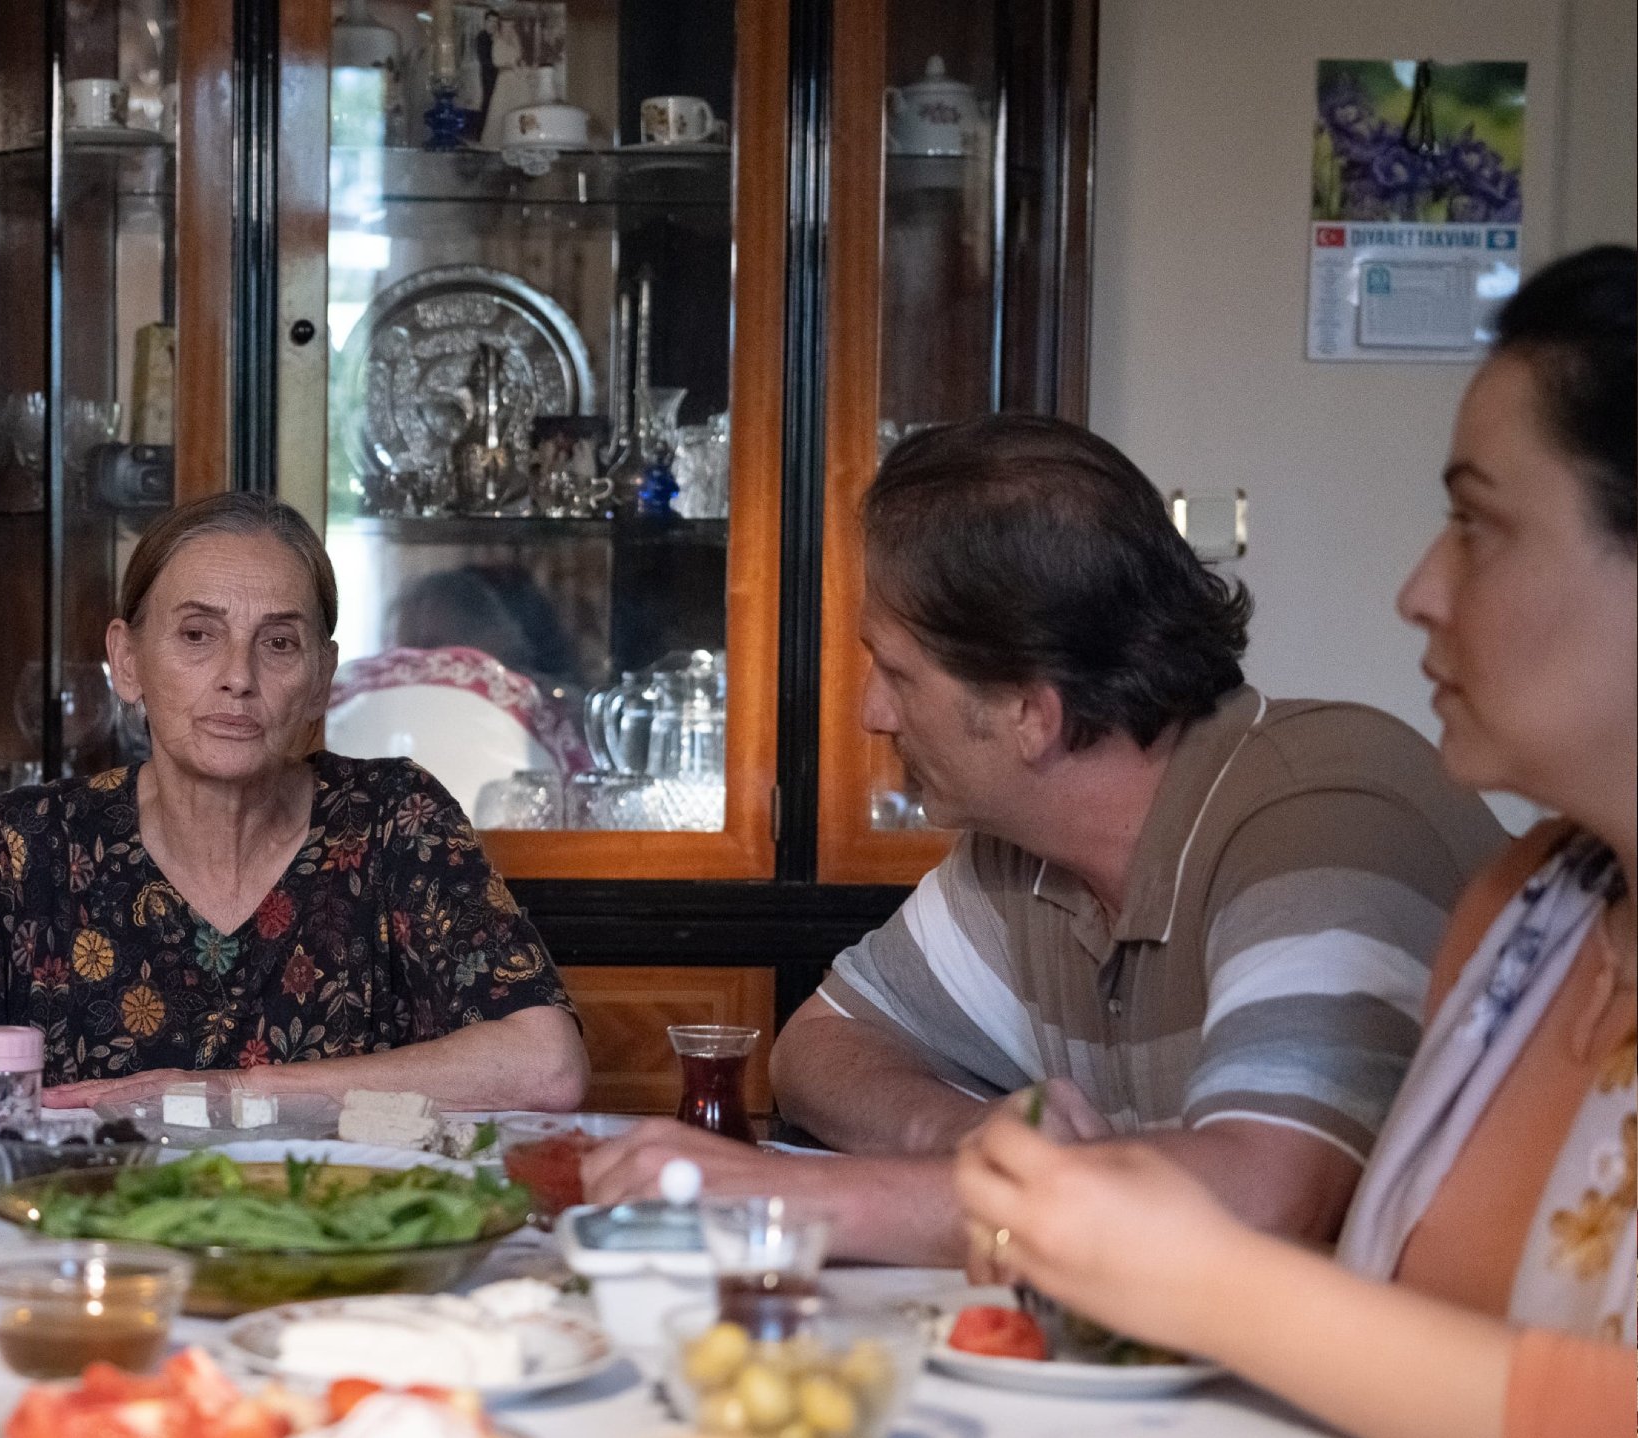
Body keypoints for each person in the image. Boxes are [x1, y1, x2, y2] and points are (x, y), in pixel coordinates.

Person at [955, 245, 1636, 1438]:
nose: (1417, 590)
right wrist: (1116, 1229)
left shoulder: (1337, 812)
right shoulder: (1523, 918)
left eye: (1478, 525)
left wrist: (1212, 1283)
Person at [588, 413, 1509, 1263]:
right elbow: (820, 1049)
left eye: (897, 673)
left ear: (1032, 713)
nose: (872, 713)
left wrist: (796, 1201)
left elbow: (1262, 1201)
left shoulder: (1320, 813)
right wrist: (963, 1134)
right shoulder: (1024, 852)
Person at [0, 490, 587, 1132]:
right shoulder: (27, 847)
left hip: (336, 1252)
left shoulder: (394, 821)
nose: (238, 677)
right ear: (127, 660)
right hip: (83, 1258)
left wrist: (222, 1093)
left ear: (321, 677)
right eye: (196, 634)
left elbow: (545, 1066)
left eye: (278, 642)